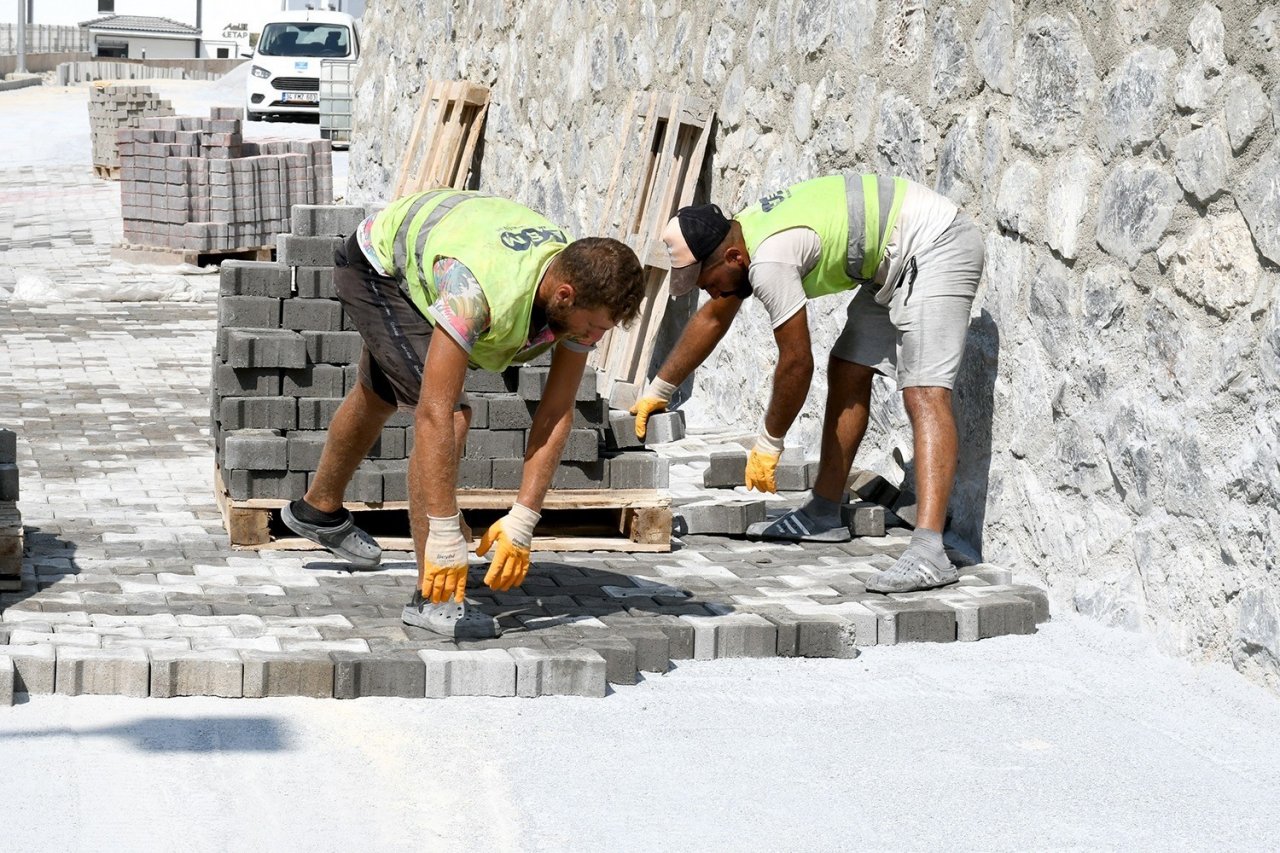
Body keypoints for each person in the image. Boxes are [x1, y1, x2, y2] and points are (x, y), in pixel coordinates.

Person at [283, 190, 645, 637]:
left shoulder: (578, 289)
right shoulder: (477, 293)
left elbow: (555, 411)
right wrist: (445, 531)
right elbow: (435, 413)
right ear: (565, 296)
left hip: (441, 254)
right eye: (593, 326)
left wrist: (524, 519)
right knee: (451, 415)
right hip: (378, 267)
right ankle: (432, 595)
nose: (593, 337)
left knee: (380, 393)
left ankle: (317, 511)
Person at [630, 174, 984, 594]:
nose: (709, 292)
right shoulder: (742, 237)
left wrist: (769, 442)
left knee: (924, 392)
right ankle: (824, 512)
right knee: (848, 366)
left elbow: (797, 362)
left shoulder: (768, 261)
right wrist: (659, 390)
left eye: (706, 282)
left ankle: (928, 552)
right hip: (891, 261)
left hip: (936, 245)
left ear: (731, 258)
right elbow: (713, 317)